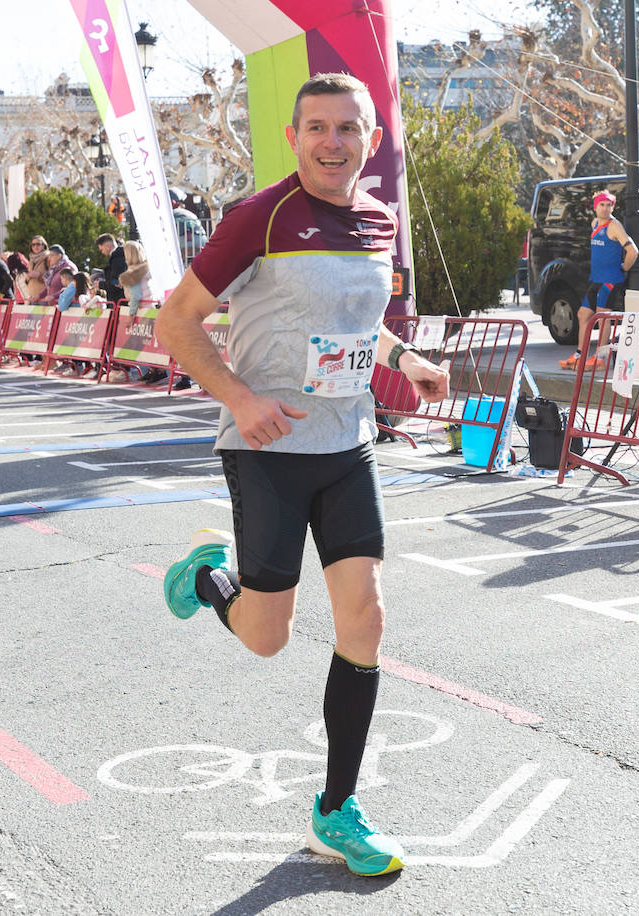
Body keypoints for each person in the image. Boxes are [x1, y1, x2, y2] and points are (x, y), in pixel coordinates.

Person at [155, 72, 450, 878]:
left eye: (347, 128)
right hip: (267, 449)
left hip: (347, 445)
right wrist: (240, 398)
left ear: (371, 140)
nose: (332, 141)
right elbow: (175, 321)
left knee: (367, 618)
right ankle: (212, 575)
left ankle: (335, 811)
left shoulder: (378, 219)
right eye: (316, 127)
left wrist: (405, 357)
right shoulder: (262, 217)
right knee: (265, 636)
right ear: (294, 137)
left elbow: (358, 322)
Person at [558, 189, 638, 371]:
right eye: (602, 204)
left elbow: (633, 251)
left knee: (603, 317)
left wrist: (623, 269)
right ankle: (580, 355)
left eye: (609, 205)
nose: (605, 208)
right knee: (583, 314)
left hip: (610, 280)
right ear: (595, 207)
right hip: (597, 279)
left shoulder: (614, 226)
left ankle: (601, 358)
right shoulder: (594, 223)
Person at [96, 232, 126, 303]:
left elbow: (116, 282)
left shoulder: (117, 258)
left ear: (107, 246)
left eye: (101, 249)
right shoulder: (118, 257)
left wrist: (100, 284)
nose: (102, 252)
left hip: (119, 301)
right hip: (119, 300)